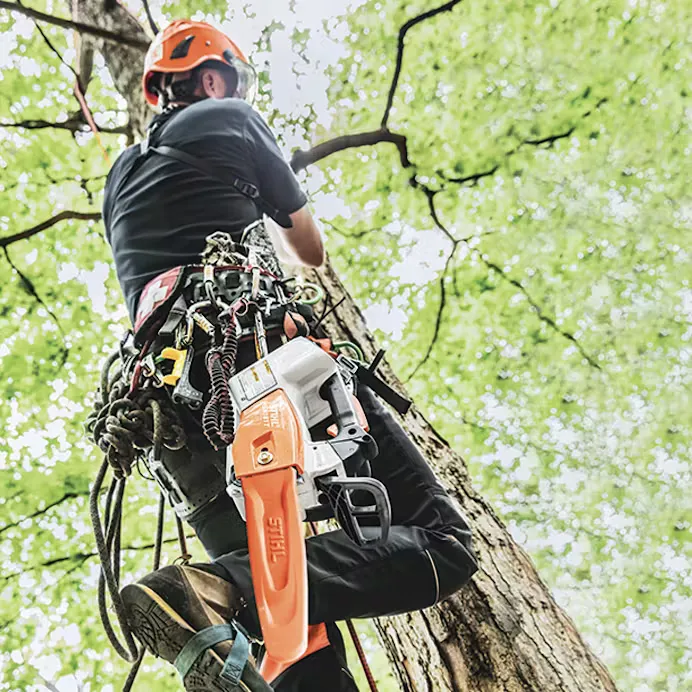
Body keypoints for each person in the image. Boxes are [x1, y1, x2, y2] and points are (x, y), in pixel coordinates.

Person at [103, 19, 478, 692]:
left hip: (168, 416)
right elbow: (308, 250)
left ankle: (211, 605)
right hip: (256, 359)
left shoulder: (119, 174)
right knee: (443, 544)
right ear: (214, 78)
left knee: (291, 637)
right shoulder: (230, 115)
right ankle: (209, 592)